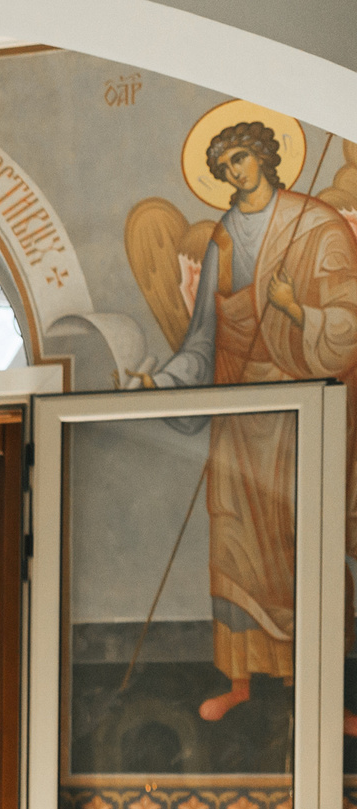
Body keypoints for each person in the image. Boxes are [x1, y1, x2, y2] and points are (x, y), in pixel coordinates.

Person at [143, 118, 357, 726]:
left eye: (241, 158)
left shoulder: (313, 223)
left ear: (265, 157)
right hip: (239, 408)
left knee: (302, 548)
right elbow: (204, 337)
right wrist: (168, 381)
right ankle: (239, 680)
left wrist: (295, 309)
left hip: (302, 408)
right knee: (235, 543)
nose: (235, 172)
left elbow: (349, 317)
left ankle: (329, 694)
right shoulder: (223, 239)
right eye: (225, 165)